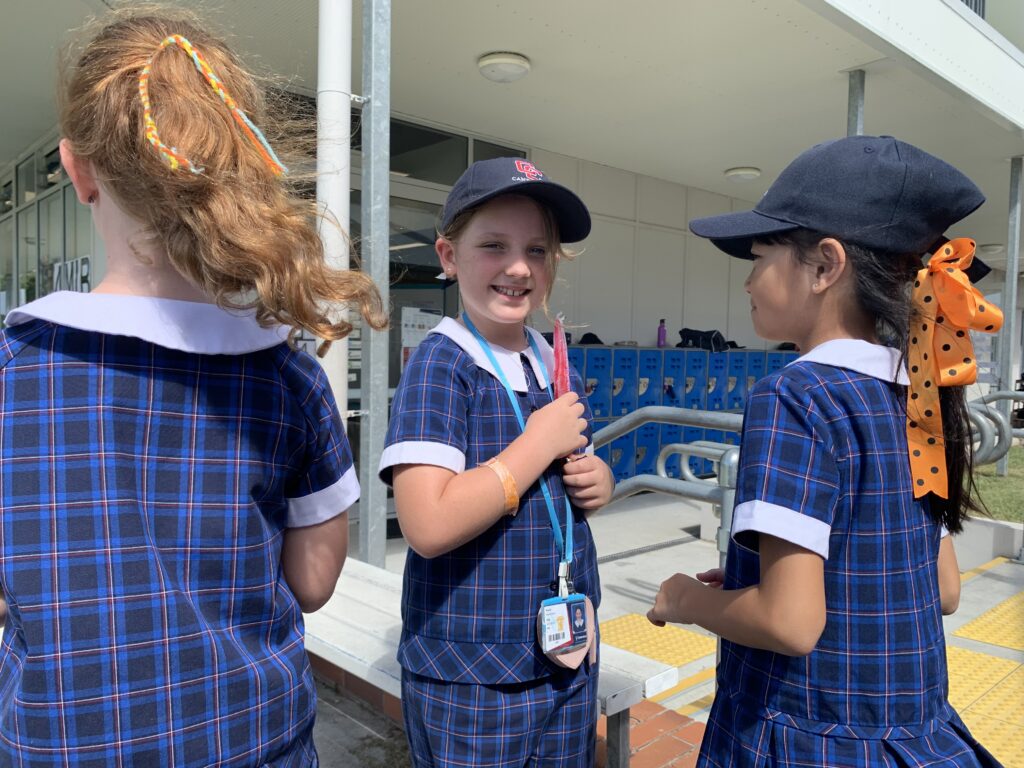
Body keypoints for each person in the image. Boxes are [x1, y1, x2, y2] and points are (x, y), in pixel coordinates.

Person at [0, 9, 386, 766]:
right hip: (255, 742)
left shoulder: (13, 374)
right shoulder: (288, 377)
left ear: (77, 171)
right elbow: (312, 582)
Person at [648, 136, 1002, 767]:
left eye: (758, 257)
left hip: (803, 739)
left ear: (823, 266)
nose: (751, 280)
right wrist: (745, 584)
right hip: (911, 736)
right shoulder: (917, 396)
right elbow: (942, 588)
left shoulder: (796, 394)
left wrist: (685, 600)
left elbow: (790, 623)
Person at [379, 157, 614, 767]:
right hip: (472, 676)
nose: (518, 267)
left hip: (562, 657)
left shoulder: (549, 356)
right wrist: (538, 443)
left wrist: (598, 480)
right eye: (493, 246)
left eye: (538, 250)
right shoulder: (443, 363)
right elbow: (426, 524)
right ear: (448, 256)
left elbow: (576, 458)